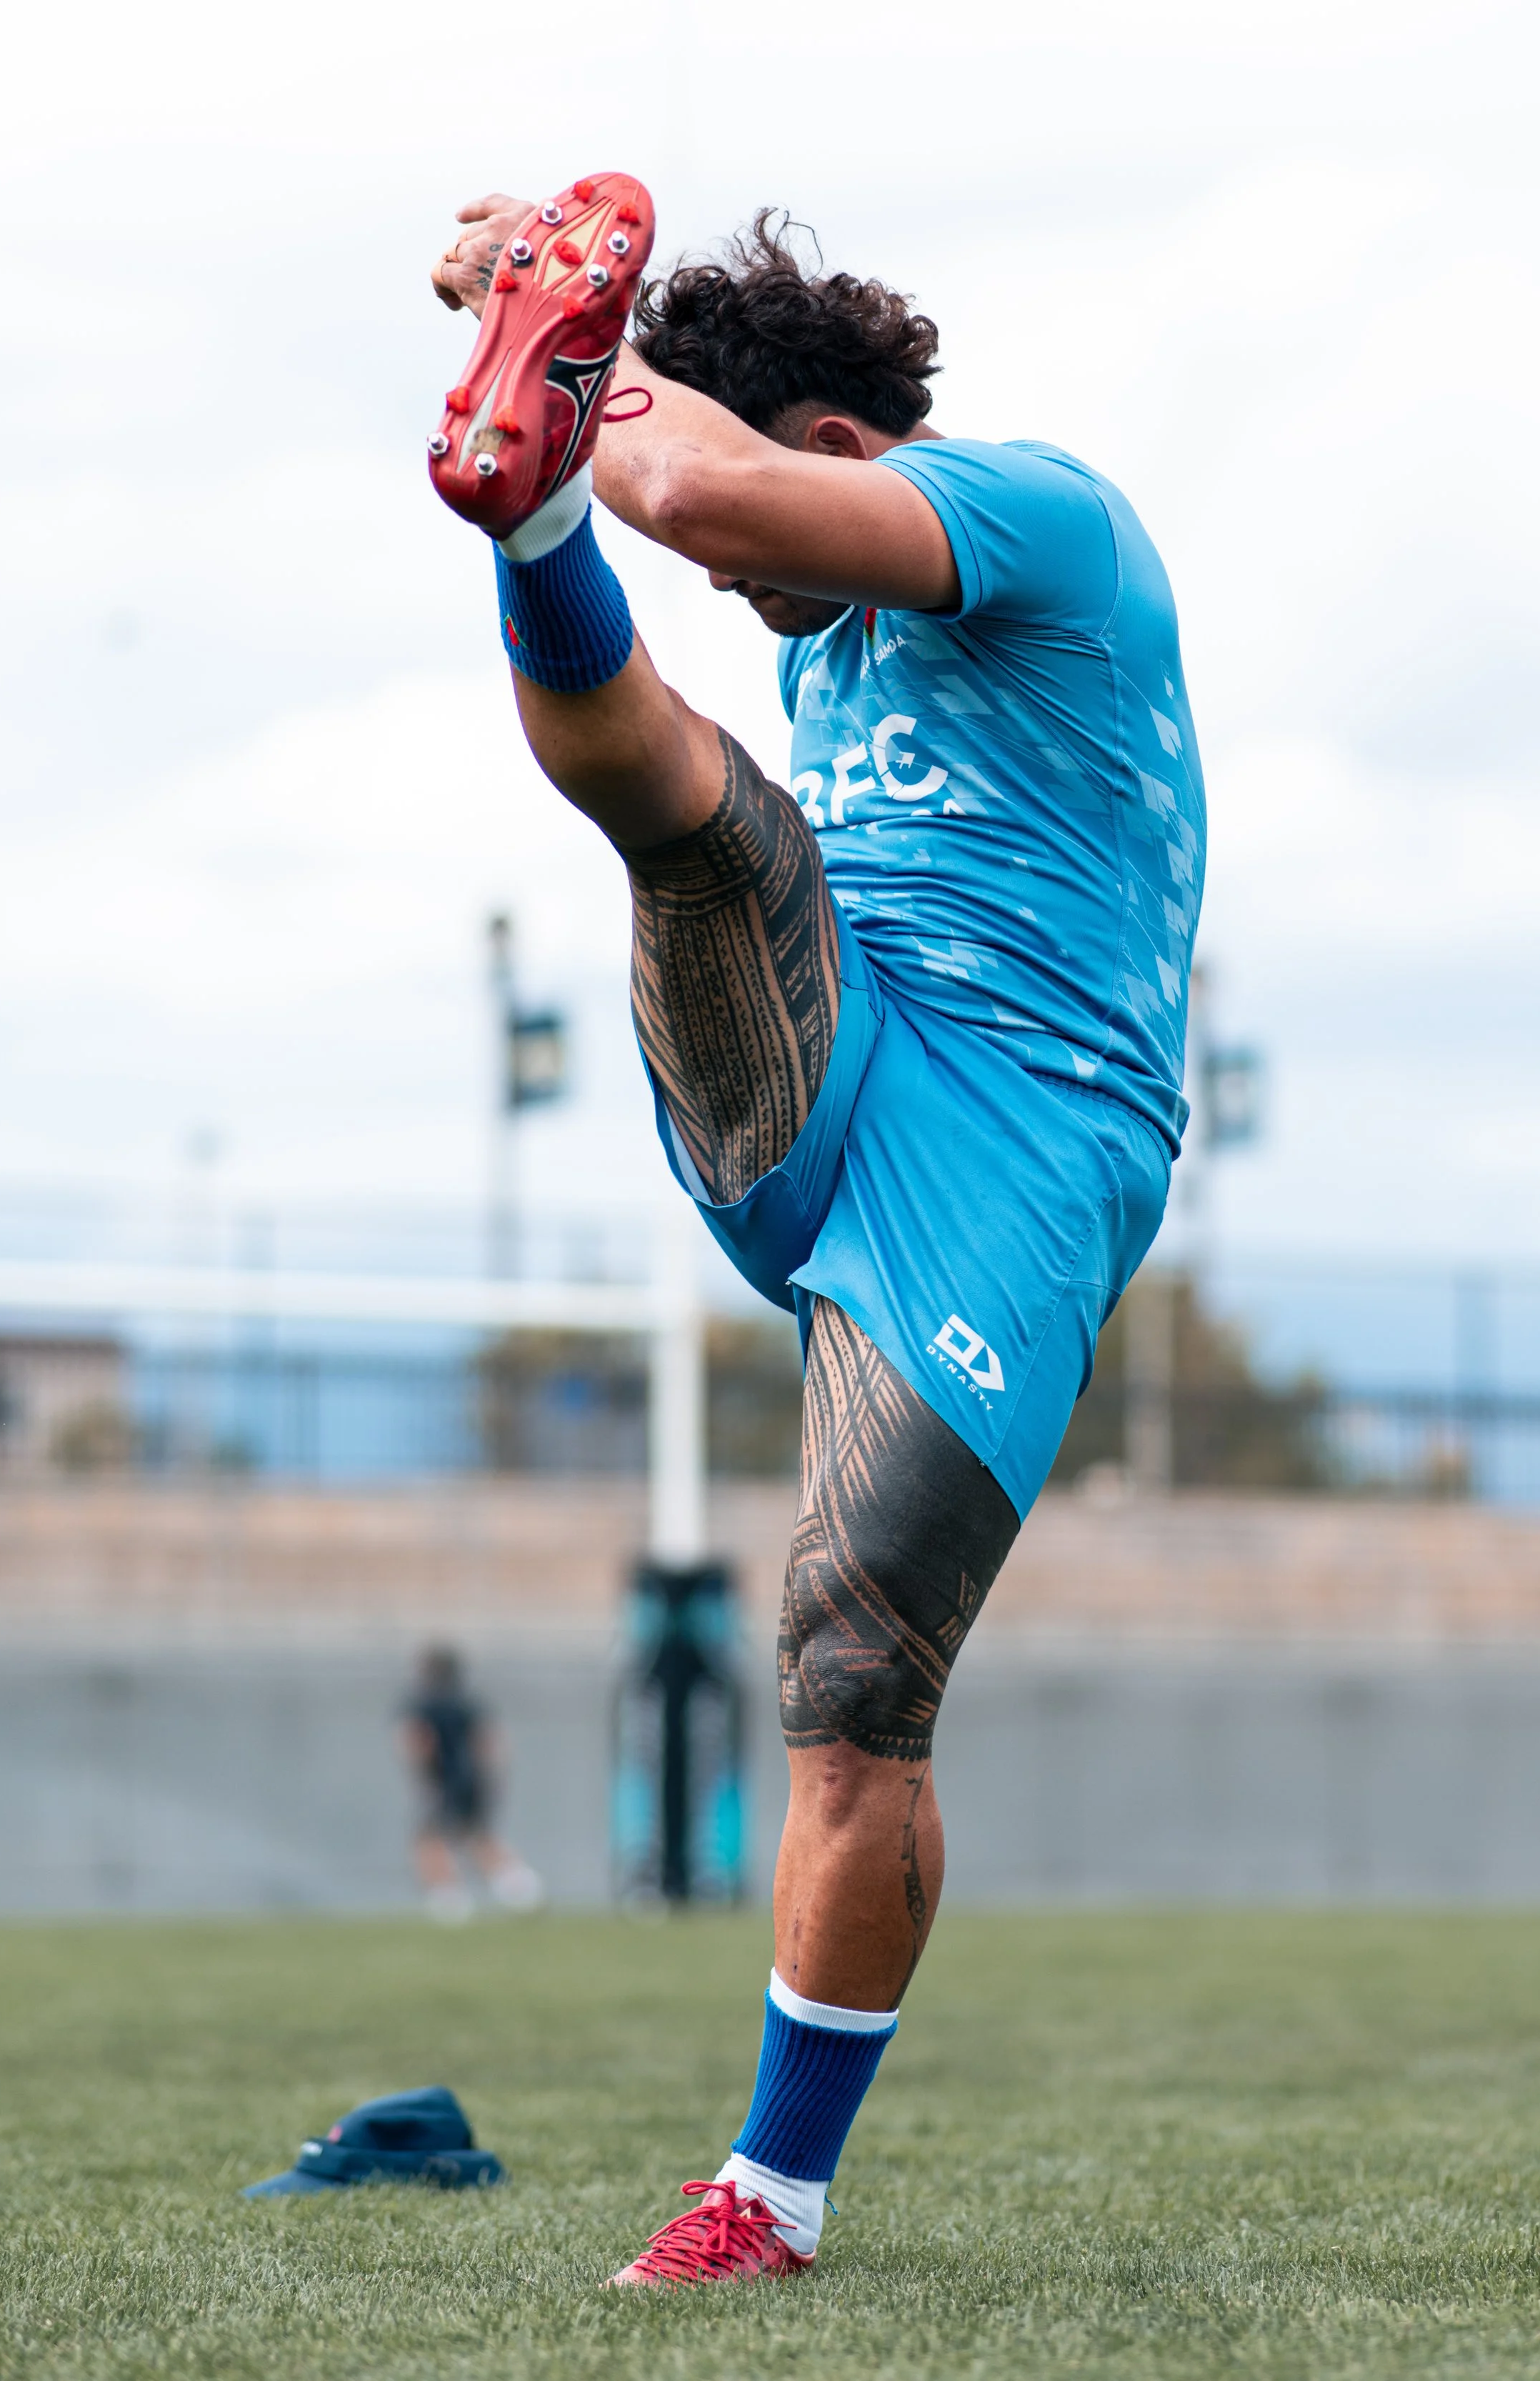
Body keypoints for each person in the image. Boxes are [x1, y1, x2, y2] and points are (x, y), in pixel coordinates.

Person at [426, 173, 1206, 2284]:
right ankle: (520, 531)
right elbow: (693, 484)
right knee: (695, 832)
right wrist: (523, 308)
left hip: (1020, 1144)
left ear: (845, 451)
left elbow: (727, 511)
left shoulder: (1031, 518)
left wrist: (592, 388)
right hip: (832, 1054)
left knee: (852, 1669)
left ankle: (767, 2195)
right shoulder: (824, 610)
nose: (782, 611)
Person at [399, 1644, 541, 1920]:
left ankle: (448, 1899)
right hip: (472, 1780)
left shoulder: (422, 1703)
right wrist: (490, 1778)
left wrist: (423, 1775)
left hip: (444, 1781)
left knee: (428, 1839)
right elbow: (490, 1742)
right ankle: (520, 1886)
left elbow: (416, 1741)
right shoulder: (468, 1702)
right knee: (474, 1836)